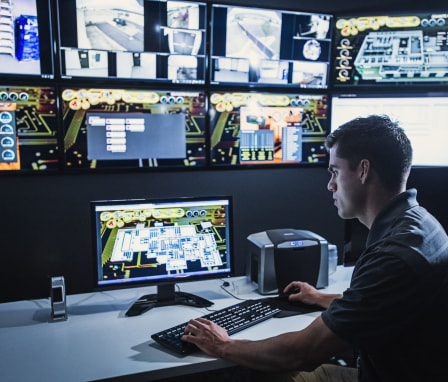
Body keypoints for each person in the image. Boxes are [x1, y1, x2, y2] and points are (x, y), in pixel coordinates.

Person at [182, 115, 448, 381]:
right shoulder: (422, 224)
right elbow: (384, 302)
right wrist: (321, 298)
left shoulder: (392, 256)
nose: (330, 185)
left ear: (363, 170)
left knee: (265, 372)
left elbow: (302, 353)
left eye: (335, 171)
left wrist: (223, 345)